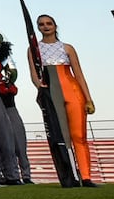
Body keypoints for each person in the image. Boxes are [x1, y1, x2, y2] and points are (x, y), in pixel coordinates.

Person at [33, 13, 98, 185]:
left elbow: (79, 74)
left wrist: (88, 98)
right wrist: (40, 87)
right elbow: (34, 74)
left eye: (49, 23)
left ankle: (86, 177)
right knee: (62, 136)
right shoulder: (34, 49)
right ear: (38, 28)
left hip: (73, 91)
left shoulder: (67, 48)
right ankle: (70, 177)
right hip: (52, 94)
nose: (45, 26)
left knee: (79, 135)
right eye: (41, 24)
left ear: (55, 26)